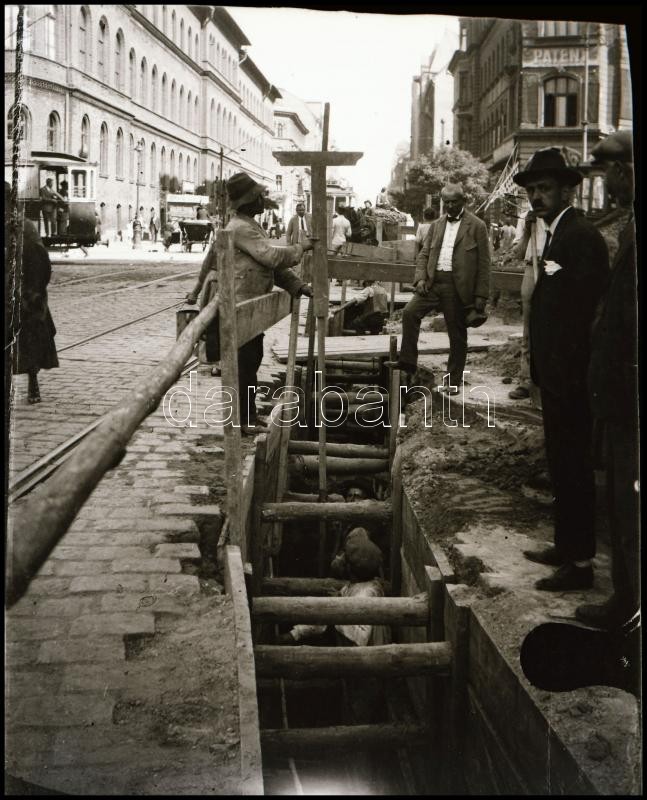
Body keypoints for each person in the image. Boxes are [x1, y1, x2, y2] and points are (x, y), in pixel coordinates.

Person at [515, 147, 609, 591]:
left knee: (573, 466)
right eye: (532, 190)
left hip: (572, 376)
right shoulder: (554, 234)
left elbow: (584, 312)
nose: (537, 197)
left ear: (566, 189)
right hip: (556, 374)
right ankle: (565, 547)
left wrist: (566, 371)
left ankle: (581, 563)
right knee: (560, 462)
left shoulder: (580, 236)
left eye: (545, 188)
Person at [575, 131, 638, 628]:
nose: (610, 189)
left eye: (611, 176)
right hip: (618, 388)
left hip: (627, 392)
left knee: (626, 499)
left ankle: (627, 603)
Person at [222, 172, 313, 434]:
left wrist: (299, 286)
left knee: (251, 361)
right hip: (240, 304)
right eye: (259, 196)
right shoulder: (241, 228)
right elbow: (272, 257)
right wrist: (301, 249)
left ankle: (248, 417)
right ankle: (241, 421)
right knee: (244, 365)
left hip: (251, 307)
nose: (263, 199)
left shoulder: (249, 225)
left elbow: (270, 269)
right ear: (248, 201)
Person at [389, 183, 490, 393]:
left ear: (464, 201)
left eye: (455, 202)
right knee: (409, 313)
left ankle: (453, 382)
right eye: (447, 202)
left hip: (457, 287)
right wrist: (420, 280)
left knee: (457, 333)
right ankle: (408, 362)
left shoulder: (478, 226)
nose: (450, 206)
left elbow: (484, 264)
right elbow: (424, 254)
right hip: (433, 283)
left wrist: (481, 296)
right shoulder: (436, 225)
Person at [5, 182, 59, 404]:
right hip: (28, 296)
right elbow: (43, 263)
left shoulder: (21, 227)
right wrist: (36, 291)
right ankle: (33, 386)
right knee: (31, 339)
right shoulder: (26, 225)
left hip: (19, 295)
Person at [506, 209, 548, 401]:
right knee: (528, 328)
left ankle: (549, 382)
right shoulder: (525, 217)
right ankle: (525, 381)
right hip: (532, 267)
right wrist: (527, 232)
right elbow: (518, 252)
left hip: (553, 267)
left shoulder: (559, 216)